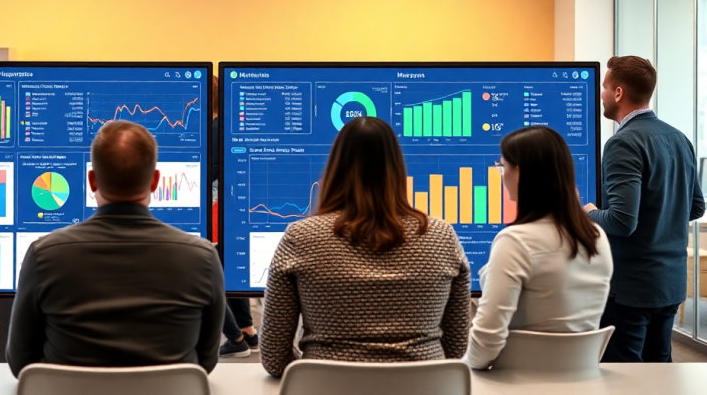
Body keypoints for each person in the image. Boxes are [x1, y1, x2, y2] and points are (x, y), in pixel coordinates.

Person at [6, 120, 226, 375]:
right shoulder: (203, 258)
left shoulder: (44, 255)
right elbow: (206, 361)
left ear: (92, 181)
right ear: (155, 181)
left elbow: (21, 362)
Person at [259, 117, 471, 378]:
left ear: (335, 168)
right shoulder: (441, 236)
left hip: (325, 387)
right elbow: (457, 349)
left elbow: (273, 358)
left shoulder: (301, 237)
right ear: (396, 169)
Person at [583, 56, 705, 363]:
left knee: (622, 377)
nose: (601, 94)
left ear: (619, 93)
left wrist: (587, 212)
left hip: (631, 288)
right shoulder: (679, 138)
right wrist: (660, 219)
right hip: (671, 283)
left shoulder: (623, 143)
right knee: (659, 371)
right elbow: (696, 207)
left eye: (605, 87)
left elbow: (622, 221)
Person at [466, 126, 613, 369]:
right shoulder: (596, 237)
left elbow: (486, 343)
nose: (502, 176)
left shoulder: (515, 241)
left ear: (521, 174)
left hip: (519, 382)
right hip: (581, 380)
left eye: (503, 167)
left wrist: (463, 368)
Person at [210, 74, 260, 358]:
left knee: (210, 276)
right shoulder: (233, 124)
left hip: (217, 203)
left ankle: (236, 339)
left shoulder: (216, 126)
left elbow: (214, 169)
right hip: (235, 204)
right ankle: (249, 333)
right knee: (227, 272)